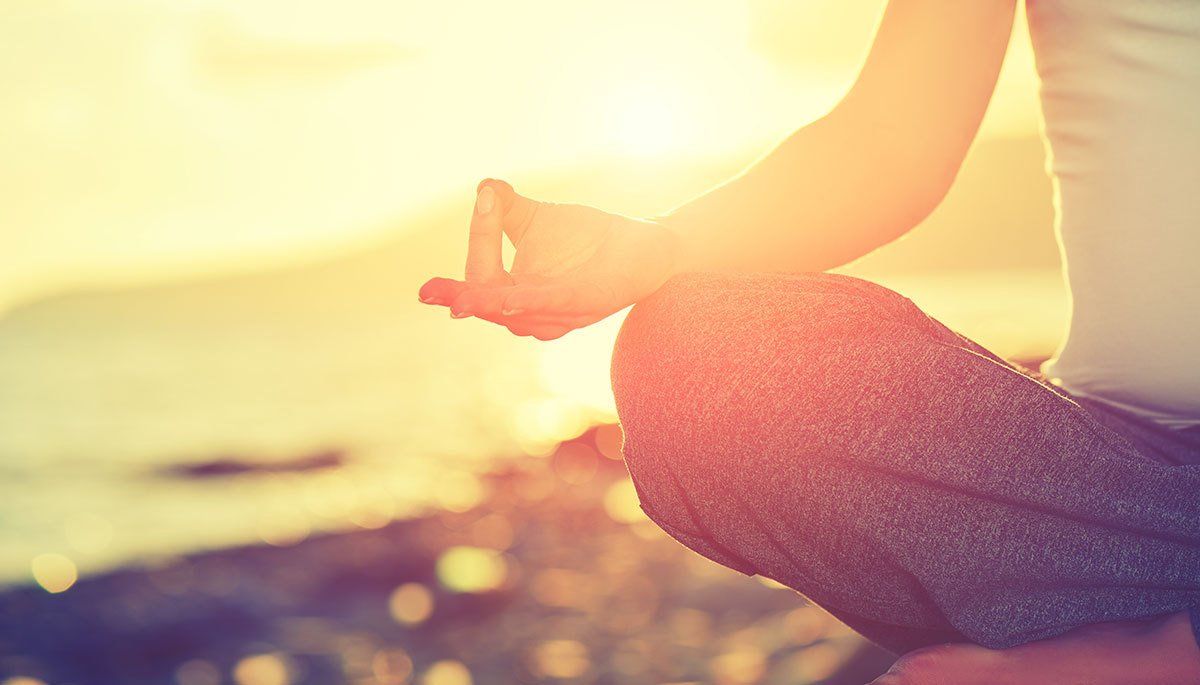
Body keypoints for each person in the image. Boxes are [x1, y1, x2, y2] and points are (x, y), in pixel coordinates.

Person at [420, 0, 1200, 681]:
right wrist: (665, 247)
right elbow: (890, 141)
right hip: (1123, 486)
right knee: (696, 360)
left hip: (1137, 531)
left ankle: (1160, 644)